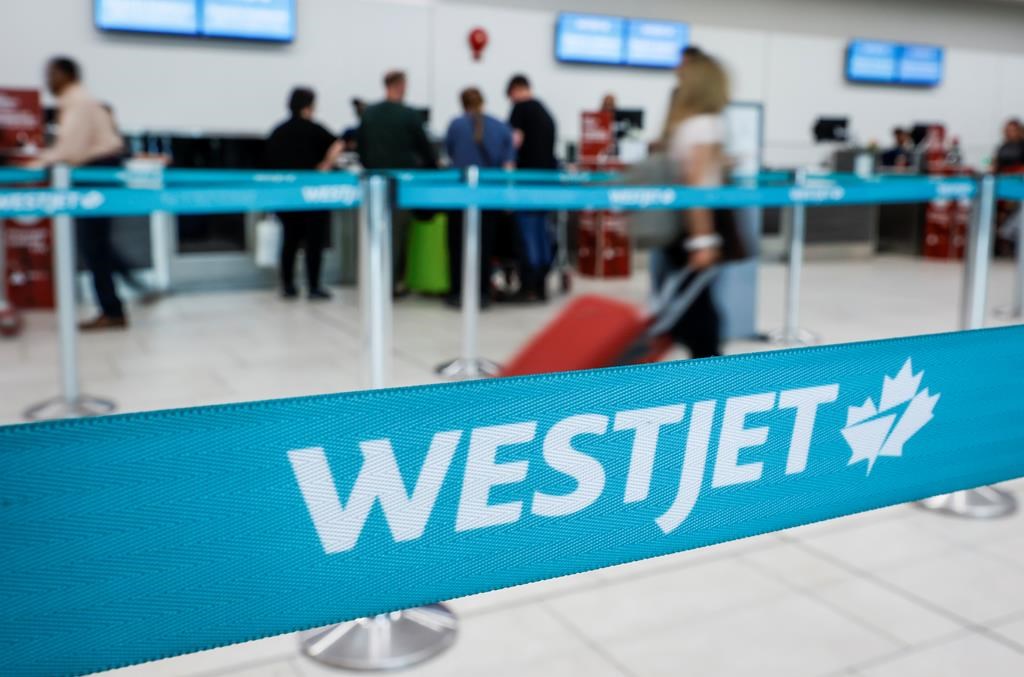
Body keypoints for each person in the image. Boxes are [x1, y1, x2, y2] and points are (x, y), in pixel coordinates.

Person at [35, 57, 127, 330]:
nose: (48, 80)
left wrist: (37, 162)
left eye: (52, 74)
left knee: (94, 245)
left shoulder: (77, 102)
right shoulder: (80, 100)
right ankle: (114, 306)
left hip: (95, 173)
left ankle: (111, 310)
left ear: (66, 75)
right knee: (98, 245)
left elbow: (70, 151)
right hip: (98, 172)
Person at [657, 48, 732, 359]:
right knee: (702, 316)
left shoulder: (686, 125)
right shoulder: (707, 125)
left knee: (691, 306)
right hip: (698, 224)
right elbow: (696, 185)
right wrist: (702, 240)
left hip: (680, 224)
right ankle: (709, 384)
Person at [357, 71, 439, 294]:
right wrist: (432, 169)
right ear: (401, 86)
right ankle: (390, 284)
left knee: (374, 233)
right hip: (401, 184)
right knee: (396, 235)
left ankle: (371, 282)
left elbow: (361, 148)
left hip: (373, 183)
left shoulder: (369, 113)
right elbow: (426, 149)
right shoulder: (409, 115)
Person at [265, 87, 343, 300]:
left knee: (289, 240)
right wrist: (325, 164)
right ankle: (314, 285)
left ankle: (288, 285)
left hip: (286, 195)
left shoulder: (278, 131)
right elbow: (338, 143)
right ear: (309, 106)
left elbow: (268, 163)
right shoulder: (314, 129)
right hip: (312, 195)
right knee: (313, 243)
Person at [444, 87, 515, 308]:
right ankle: (482, 293)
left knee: (457, 245)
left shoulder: (456, 125)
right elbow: (508, 166)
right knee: (485, 246)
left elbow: (450, 155)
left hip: (459, 195)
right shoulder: (501, 127)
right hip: (489, 195)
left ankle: (458, 292)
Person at [506, 74, 557, 301]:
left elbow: (514, 142)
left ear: (515, 90)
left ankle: (529, 286)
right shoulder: (545, 112)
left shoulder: (520, 109)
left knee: (527, 230)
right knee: (541, 230)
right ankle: (542, 284)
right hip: (547, 180)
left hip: (527, 179)